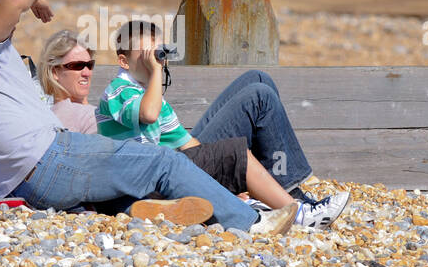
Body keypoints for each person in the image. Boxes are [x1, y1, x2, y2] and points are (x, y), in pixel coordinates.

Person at [0, 0, 301, 235]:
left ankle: (146, 211)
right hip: (49, 159)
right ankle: (253, 223)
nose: (15, 15)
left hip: (24, 183)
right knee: (163, 161)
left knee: (127, 177)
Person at [96, 21, 348, 229]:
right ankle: (299, 212)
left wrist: (220, 184)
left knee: (258, 79)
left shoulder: (151, 95)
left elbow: (187, 144)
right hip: (142, 177)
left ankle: (279, 192)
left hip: (166, 167)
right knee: (254, 105)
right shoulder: (119, 91)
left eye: (157, 51)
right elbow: (148, 114)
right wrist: (156, 72)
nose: (154, 58)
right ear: (124, 62)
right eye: (145, 53)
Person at [39, 29, 97, 134]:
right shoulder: (91, 117)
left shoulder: (41, 119)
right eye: (77, 65)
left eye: (89, 65)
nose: (87, 73)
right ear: (54, 72)